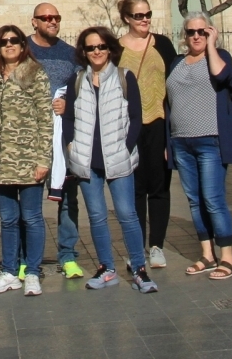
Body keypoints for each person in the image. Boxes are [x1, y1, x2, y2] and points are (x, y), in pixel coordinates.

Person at [62, 26, 157, 293]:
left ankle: (139, 268)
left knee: (127, 215)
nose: (96, 52)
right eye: (91, 47)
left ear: (110, 49)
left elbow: (136, 118)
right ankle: (106, 268)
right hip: (86, 161)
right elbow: (68, 117)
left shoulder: (124, 77)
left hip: (118, 158)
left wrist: (126, 147)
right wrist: (70, 146)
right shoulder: (77, 80)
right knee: (97, 216)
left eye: (101, 46)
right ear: (83, 51)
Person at [167, 13, 232, 281]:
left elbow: (221, 76)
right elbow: (169, 102)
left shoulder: (220, 57)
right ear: (184, 35)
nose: (196, 36)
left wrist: (212, 44)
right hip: (181, 141)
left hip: (211, 140)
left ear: (210, 32)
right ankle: (207, 254)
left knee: (213, 199)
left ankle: (228, 257)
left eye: (202, 31)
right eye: (191, 32)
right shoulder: (176, 62)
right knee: (195, 201)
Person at [0, 24, 52, 297]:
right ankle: (9, 271)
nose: (9, 45)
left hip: (28, 158)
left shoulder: (35, 73)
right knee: (8, 219)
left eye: (15, 40)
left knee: (32, 217)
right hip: (0, 160)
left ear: (23, 45)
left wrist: (43, 158)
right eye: (4, 41)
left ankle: (32, 272)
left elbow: (46, 119)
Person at [118, 0, 176, 270]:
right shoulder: (116, 49)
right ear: (127, 18)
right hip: (129, 127)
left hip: (158, 122)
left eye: (148, 14)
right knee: (135, 188)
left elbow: (174, 85)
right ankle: (137, 246)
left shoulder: (162, 44)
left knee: (159, 186)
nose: (145, 20)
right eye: (139, 16)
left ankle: (157, 246)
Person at [28, 2, 85, 279]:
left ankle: (68, 255)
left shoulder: (71, 54)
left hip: (63, 138)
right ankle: (27, 258)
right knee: (29, 200)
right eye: (46, 17)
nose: (52, 21)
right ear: (34, 22)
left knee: (68, 198)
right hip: (31, 138)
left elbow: (81, 93)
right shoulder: (22, 50)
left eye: (56, 17)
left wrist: (68, 107)